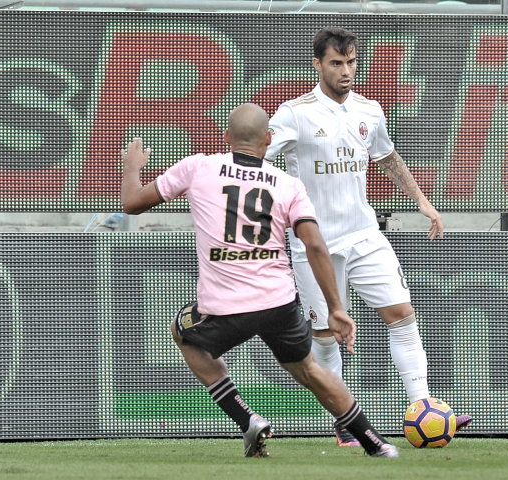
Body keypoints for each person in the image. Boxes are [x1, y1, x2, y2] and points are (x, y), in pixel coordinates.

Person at [120, 103, 398, 458]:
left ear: (226, 138)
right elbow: (315, 245)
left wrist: (131, 167)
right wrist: (336, 309)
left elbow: (132, 203)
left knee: (181, 330)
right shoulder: (288, 184)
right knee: (310, 370)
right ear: (268, 139)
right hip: (278, 303)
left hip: (226, 307)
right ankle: (377, 444)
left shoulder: (198, 167)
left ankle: (246, 419)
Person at [264, 27, 472, 447]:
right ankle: (343, 421)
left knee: (402, 314)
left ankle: (423, 409)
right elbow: (257, 159)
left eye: (352, 62)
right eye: (336, 63)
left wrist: (423, 201)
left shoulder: (369, 110)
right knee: (325, 336)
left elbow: (387, 156)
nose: (346, 71)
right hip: (314, 244)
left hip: (363, 235)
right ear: (317, 64)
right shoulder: (294, 113)